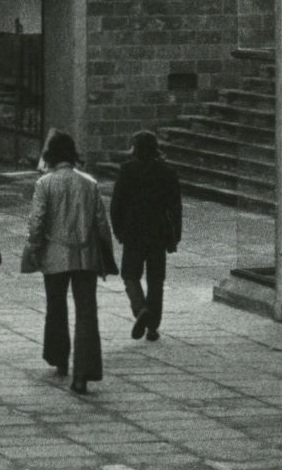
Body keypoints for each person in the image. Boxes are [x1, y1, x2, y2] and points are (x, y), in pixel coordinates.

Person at [21, 129, 113, 393]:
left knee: (56, 306)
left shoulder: (45, 183)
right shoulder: (89, 183)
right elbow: (101, 224)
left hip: (54, 253)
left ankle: (58, 357)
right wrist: (105, 255)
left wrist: (34, 250)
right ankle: (83, 373)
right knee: (86, 313)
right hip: (85, 255)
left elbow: (37, 221)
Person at [110, 130, 183, 342]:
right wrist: (175, 235)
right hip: (159, 232)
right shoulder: (168, 171)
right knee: (156, 280)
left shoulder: (127, 170)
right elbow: (175, 207)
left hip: (133, 232)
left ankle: (140, 308)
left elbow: (117, 204)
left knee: (130, 275)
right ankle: (152, 327)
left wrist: (118, 230)